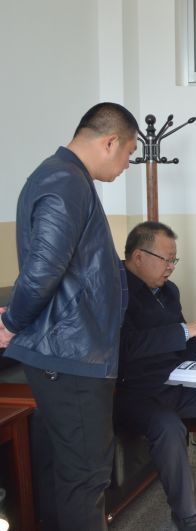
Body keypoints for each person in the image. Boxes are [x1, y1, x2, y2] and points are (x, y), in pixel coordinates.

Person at [0, 103, 138, 531]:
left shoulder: (66, 177)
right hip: (70, 354)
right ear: (110, 141)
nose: (126, 164)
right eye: (129, 153)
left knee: (71, 470)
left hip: (71, 350)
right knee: (87, 475)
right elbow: (42, 270)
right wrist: (10, 323)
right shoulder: (64, 181)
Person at [116, 222, 196, 531]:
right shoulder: (115, 290)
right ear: (138, 256)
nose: (171, 267)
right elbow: (126, 346)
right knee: (168, 426)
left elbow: (188, 341)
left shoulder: (169, 291)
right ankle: (186, 517)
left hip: (176, 383)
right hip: (135, 393)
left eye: (174, 260)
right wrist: (183, 331)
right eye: (166, 259)